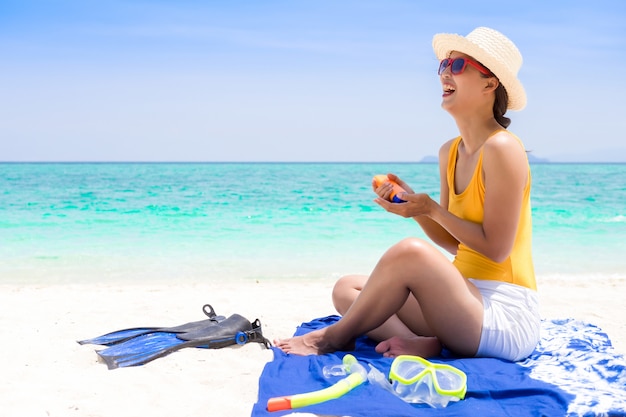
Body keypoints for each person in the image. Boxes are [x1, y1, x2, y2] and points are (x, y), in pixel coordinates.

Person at [274, 27, 540, 362]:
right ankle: (426, 342)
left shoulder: (502, 148)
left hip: (503, 314)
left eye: (458, 66)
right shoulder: (450, 151)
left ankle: (333, 338)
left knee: (408, 253)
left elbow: (497, 250)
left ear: (490, 84)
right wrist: (419, 209)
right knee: (348, 289)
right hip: (462, 298)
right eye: (443, 65)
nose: (445, 72)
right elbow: (455, 243)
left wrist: (433, 208)